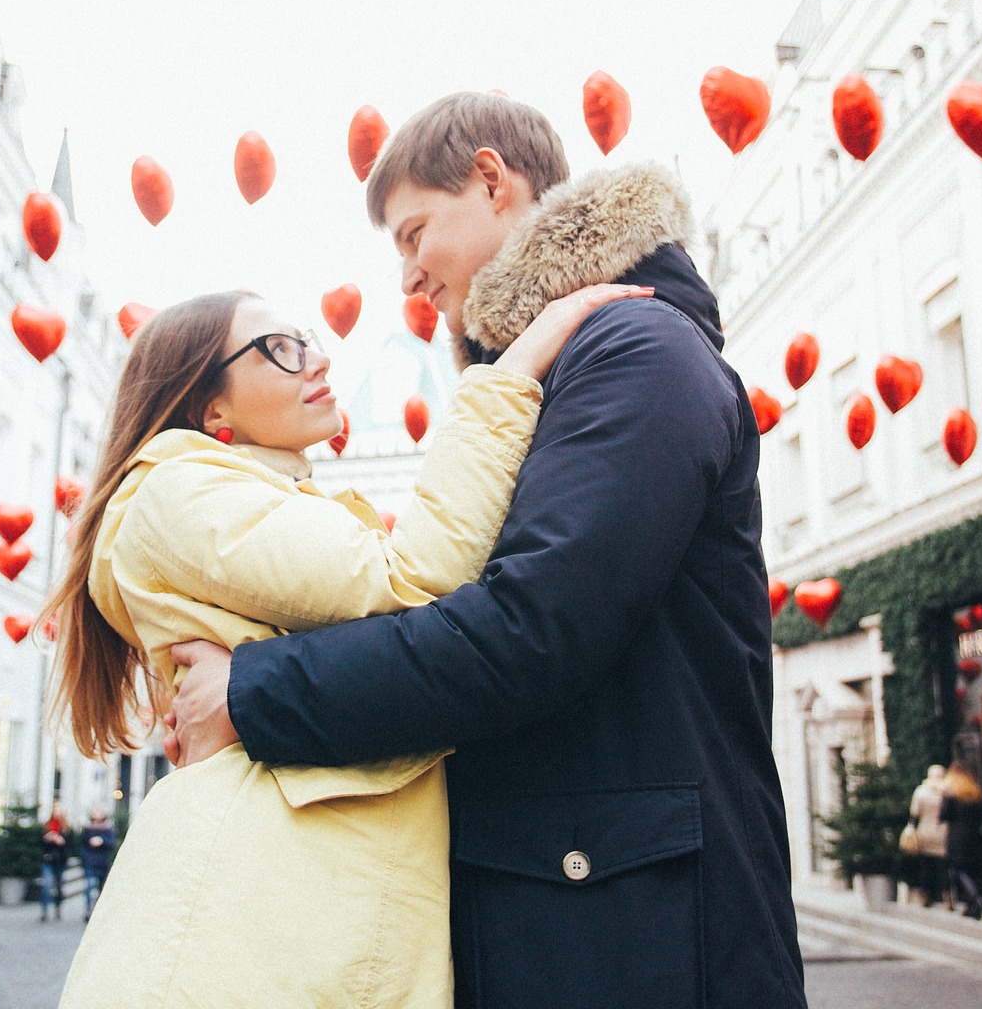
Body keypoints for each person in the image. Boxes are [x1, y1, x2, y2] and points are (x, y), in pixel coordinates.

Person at [166, 92, 806, 1008]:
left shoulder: (635, 348)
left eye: (415, 232)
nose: (409, 280)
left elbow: (531, 631)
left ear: (493, 180)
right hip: (599, 914)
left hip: (640, 939)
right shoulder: (562, 372)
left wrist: (253, 690)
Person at [48, 280, 643, 1005]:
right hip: (249, 913)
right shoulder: (181, 491)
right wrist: (510, 376)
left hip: (300, 902)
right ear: (212, 406)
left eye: (311, 342)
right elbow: (412, 579)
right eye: (282, 349)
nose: (318, 363)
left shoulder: (247, 497)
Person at [939, 758, 982, 918]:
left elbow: (943, 815)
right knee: (972, 868)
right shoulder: (974, 792)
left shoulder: (951, 793)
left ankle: (975, 898)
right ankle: (972, 904)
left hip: (957, 835)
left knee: (958, 868)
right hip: (974, 834)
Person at [907, 764, 951, 905]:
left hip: (924, 831)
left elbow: (914, 813)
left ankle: (926, 896)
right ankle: (947, 895)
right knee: (944, 866)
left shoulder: (921, 791)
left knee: (926, 865)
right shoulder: (947, 791)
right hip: (943, 832)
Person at [77, 808, 116, 920]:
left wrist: (102, 841)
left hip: (102, 863)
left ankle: (98, 910)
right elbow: (82, 845)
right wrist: (85, 858)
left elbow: (112, 844)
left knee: (100, 888)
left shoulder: (108, 829)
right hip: (90, 862)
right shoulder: (87, 829)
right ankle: (89, 909)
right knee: (89, 886)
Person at [38, 801, 69, 922]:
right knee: (46, 884)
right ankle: (44, 910)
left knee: (58, 885)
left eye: (59, 809)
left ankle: (58, 908)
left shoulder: (67, 828)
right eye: (55, 809)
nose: (57, 812)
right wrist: (46, 839)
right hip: (47, 859)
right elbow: (39, 844)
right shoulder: (46, 826)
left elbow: (71, 846)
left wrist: (62, 841)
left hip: (60, 860)